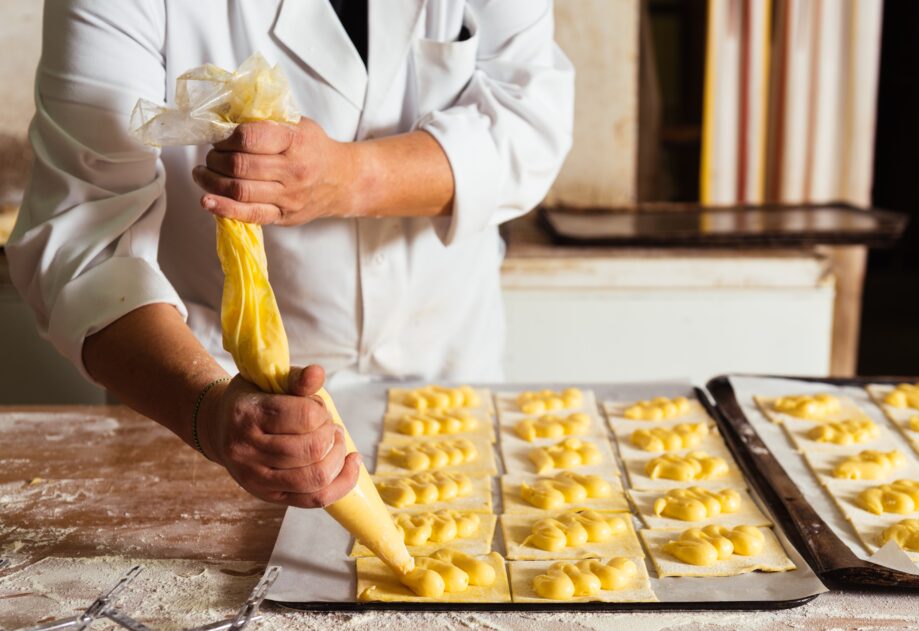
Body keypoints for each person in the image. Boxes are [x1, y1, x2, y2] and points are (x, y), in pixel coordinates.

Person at [7, 1, 573, 508]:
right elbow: (85, 237)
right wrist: (207, 412)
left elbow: (532, 123)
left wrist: (350, 178)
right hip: (211, 397)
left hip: (446, 371)